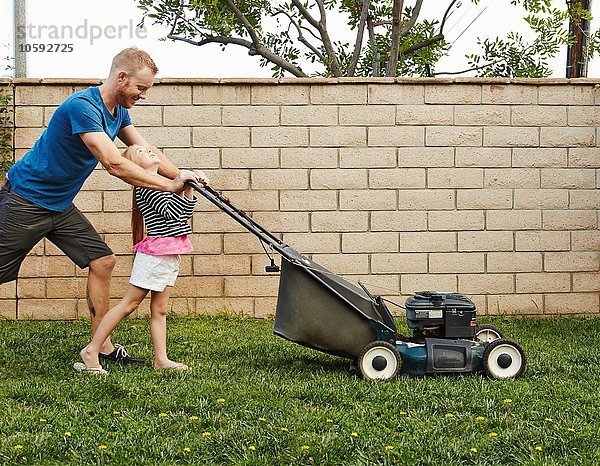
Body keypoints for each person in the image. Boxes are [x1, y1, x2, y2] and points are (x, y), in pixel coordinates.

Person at [0, 47, 207, 364]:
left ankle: (102, 346)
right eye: (141, 88)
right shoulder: (83, 107)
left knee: (103, 261)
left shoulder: (120, 112)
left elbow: (143, 147)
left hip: (59, 204)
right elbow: (113, 163)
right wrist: (170, 185)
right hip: (26, 199)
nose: (144, 95)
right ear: (122, 78)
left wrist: (183, 176)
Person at [76, 144, 199, 374]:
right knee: (129, 304)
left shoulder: (163, 185)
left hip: (168, 255)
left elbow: (184, 215)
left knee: (160, 310)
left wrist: (190, 185)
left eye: (148, 150)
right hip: (154, 257)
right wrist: (182, 183)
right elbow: (173, 213)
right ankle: (92, 350)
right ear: (133, 166)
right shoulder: (147, 188)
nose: (149, 152)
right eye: (140, 152)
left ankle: (161, 359)